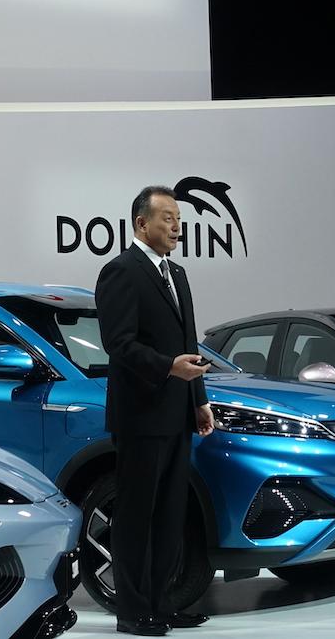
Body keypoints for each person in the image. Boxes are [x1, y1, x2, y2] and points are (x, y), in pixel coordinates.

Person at [96, 185, 214, 636]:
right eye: (168, 218)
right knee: (136, 516)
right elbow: (119, 344)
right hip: (141, 416)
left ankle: (163, 604)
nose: (177, 227)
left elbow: (188, 342)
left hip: (177, 414)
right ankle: (132, 611)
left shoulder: (177, 274)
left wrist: (199, 399)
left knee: (169, 515)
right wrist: (168, 368)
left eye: (179, 219)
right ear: (141, 223)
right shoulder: (121, 271)